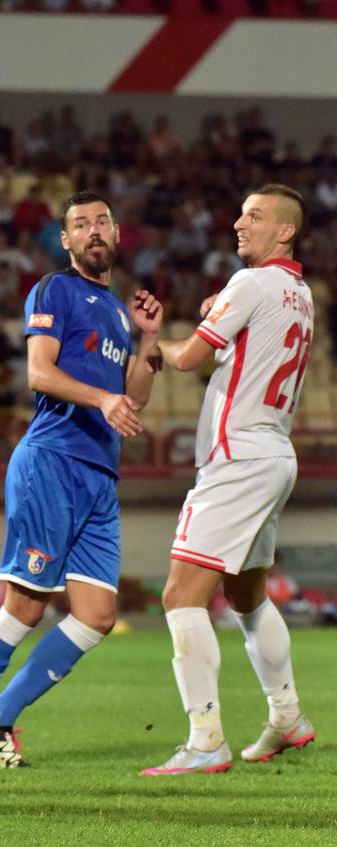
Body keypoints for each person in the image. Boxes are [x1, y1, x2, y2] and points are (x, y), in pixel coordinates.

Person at [0, 192, 162, 768]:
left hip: (99, 476)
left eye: (102, 222)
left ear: (117, 234)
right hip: (52, 462)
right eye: (80, 224)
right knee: (28, 604)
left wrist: (149, 339)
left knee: (96, 617)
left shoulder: (116, 311)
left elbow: (133, 398)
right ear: (65, 240)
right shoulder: (54, 290)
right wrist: (103, 399)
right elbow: (40, 372)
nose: (93, 231)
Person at [141, 185, 315, 776]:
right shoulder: (300, 293)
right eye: (240, 213)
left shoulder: (252, 284)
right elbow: (241, 353)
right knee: (245, 595)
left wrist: (152, 347)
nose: (239, 224)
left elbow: (189, 358)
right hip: (274, 453)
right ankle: (287, 717)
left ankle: (204, 740)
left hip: (237, 458)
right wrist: (219, 314)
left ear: (285, 231)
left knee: (179, 596)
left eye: (256, 216)